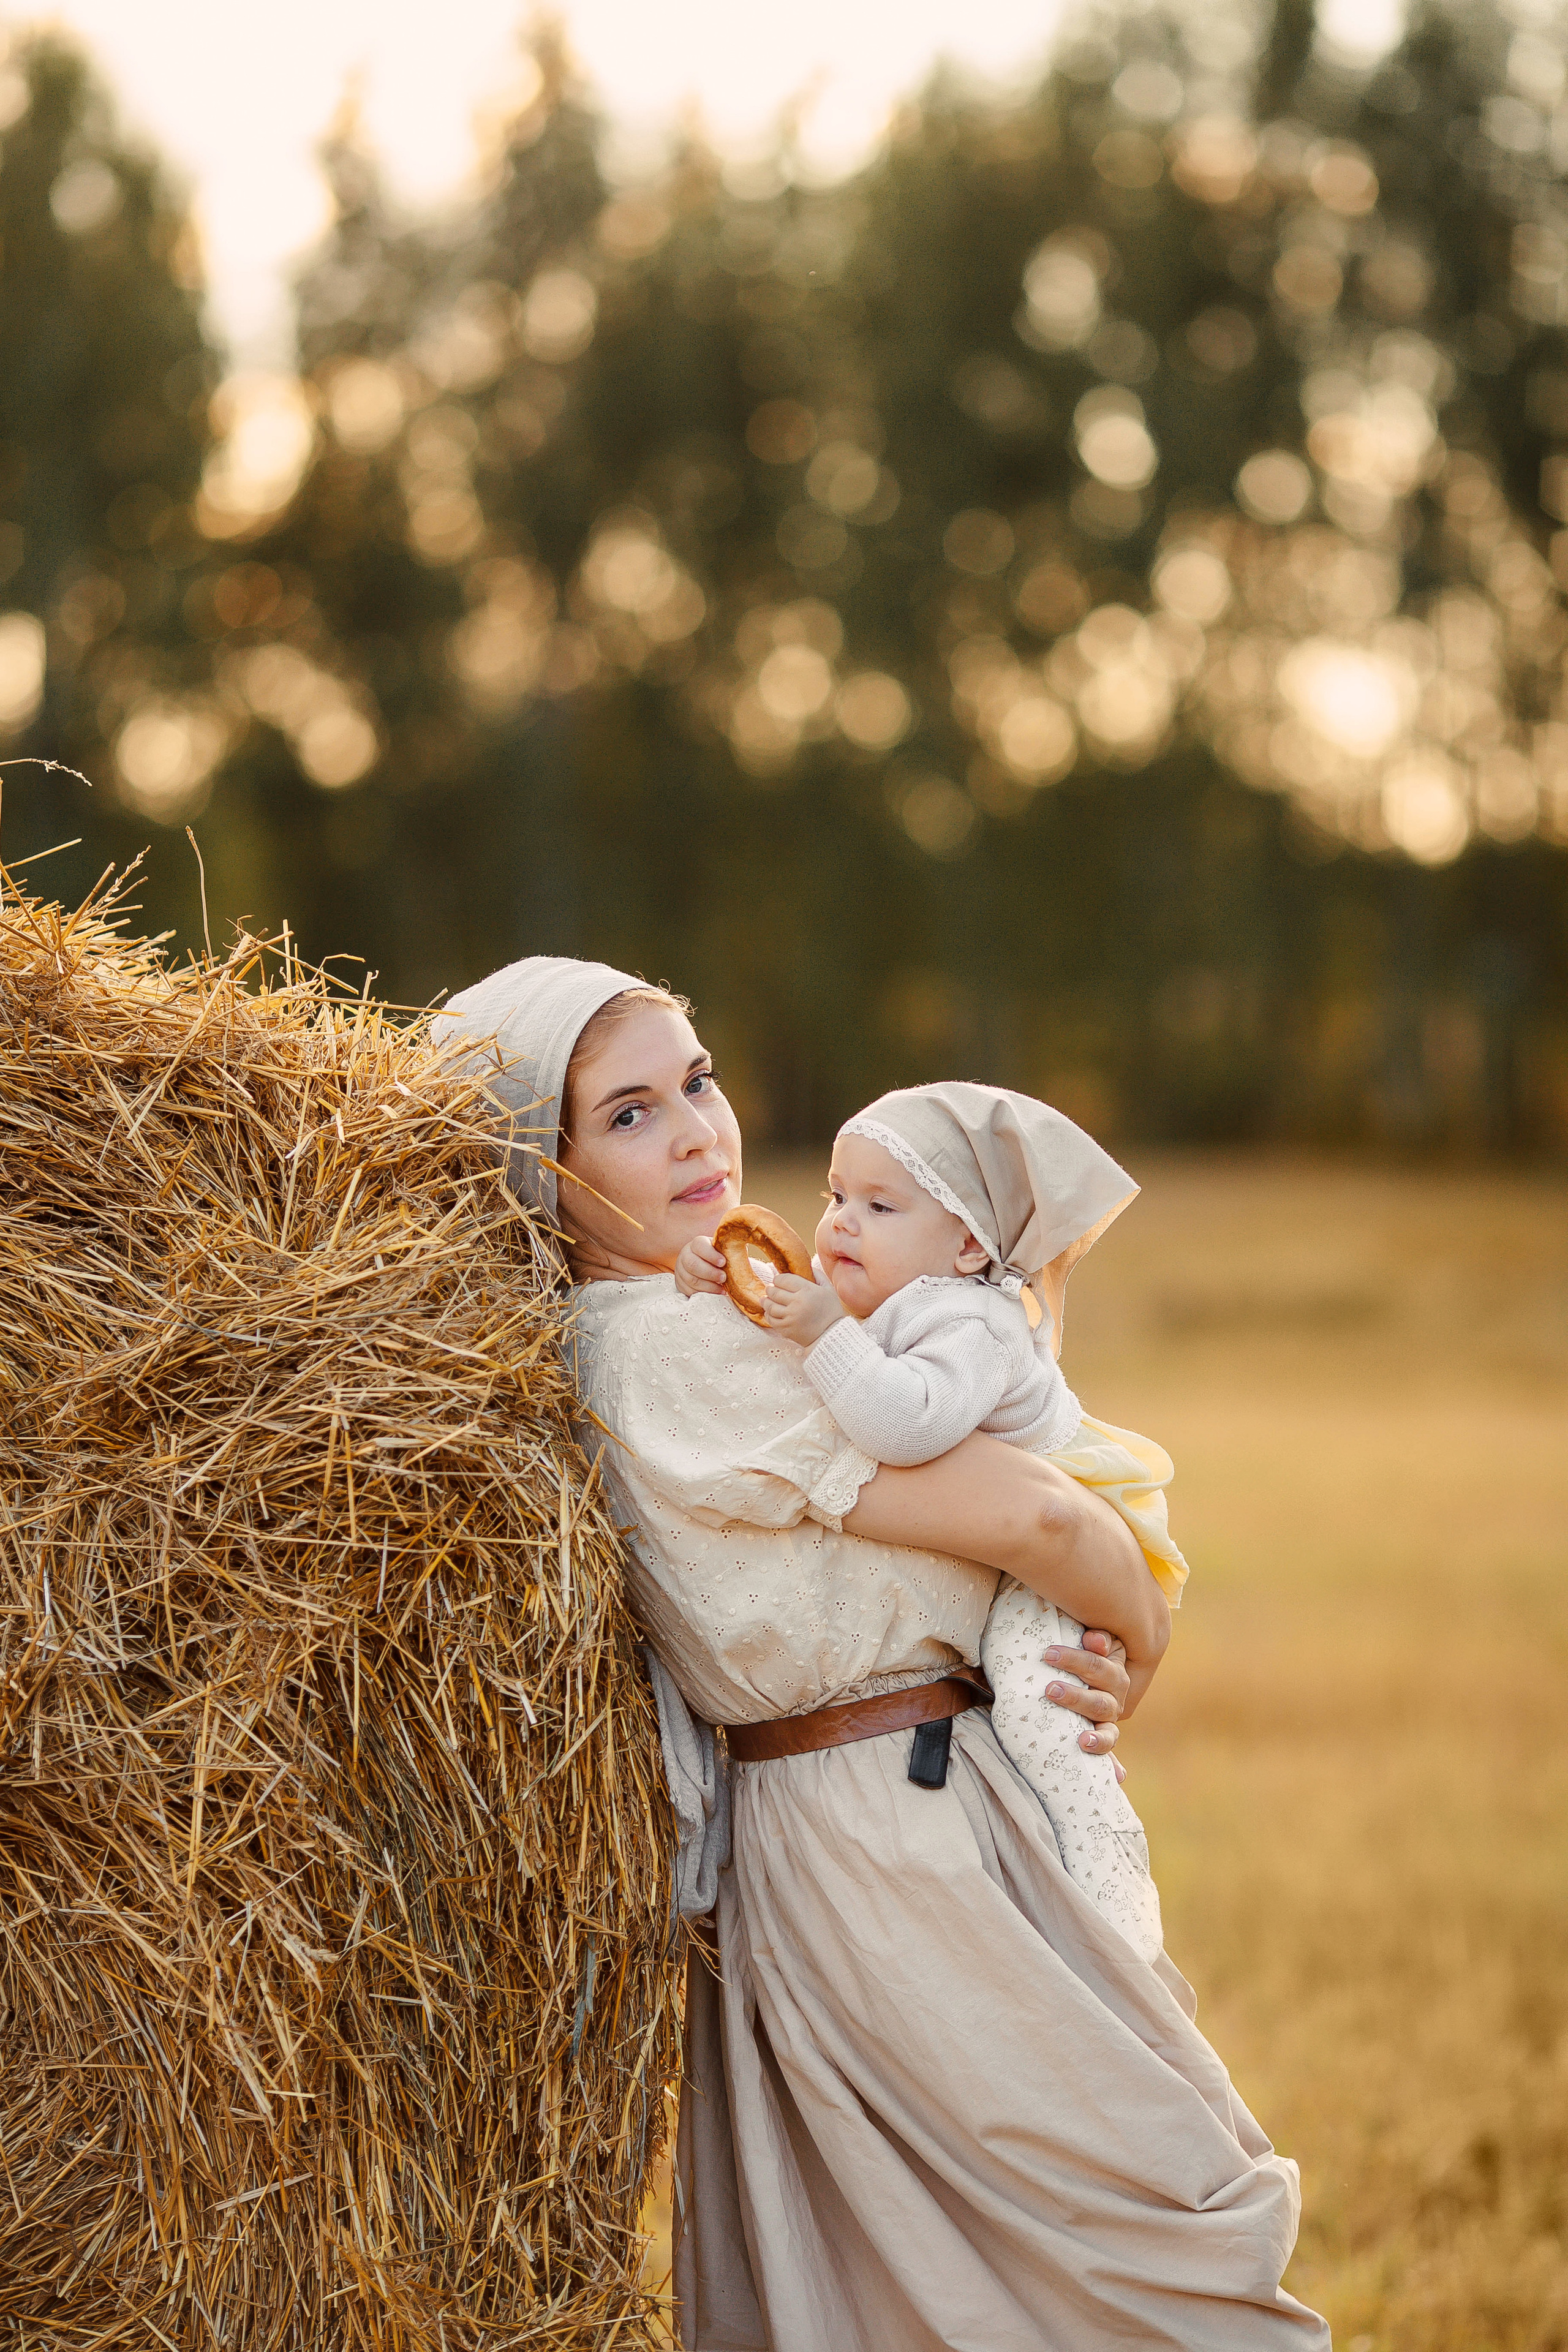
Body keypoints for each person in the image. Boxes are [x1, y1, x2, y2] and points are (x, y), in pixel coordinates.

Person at [433, 955, 1330, 2352]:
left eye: (698, 1079)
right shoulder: (666, 1350)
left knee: (973, 2270)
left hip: (879, 1808)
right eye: (624, 1114)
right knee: (1148, 2220)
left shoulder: (702, 1311)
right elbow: (1030, 1511)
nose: (694, 1133)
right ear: (531, 1170)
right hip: (879, 1834)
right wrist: (1138, 1627)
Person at [673, 1081, 1183, 1964]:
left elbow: (903, 1427)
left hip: (1062, 1543)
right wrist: (710, 1278)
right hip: (1015, 1543)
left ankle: (1111, 1904)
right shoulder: (898, 1300)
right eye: (836, 1196)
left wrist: (826, 1332)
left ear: (968, 1246)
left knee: (1040, 1708)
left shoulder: (973, 1320)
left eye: (879, 1204)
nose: (839, 1224)